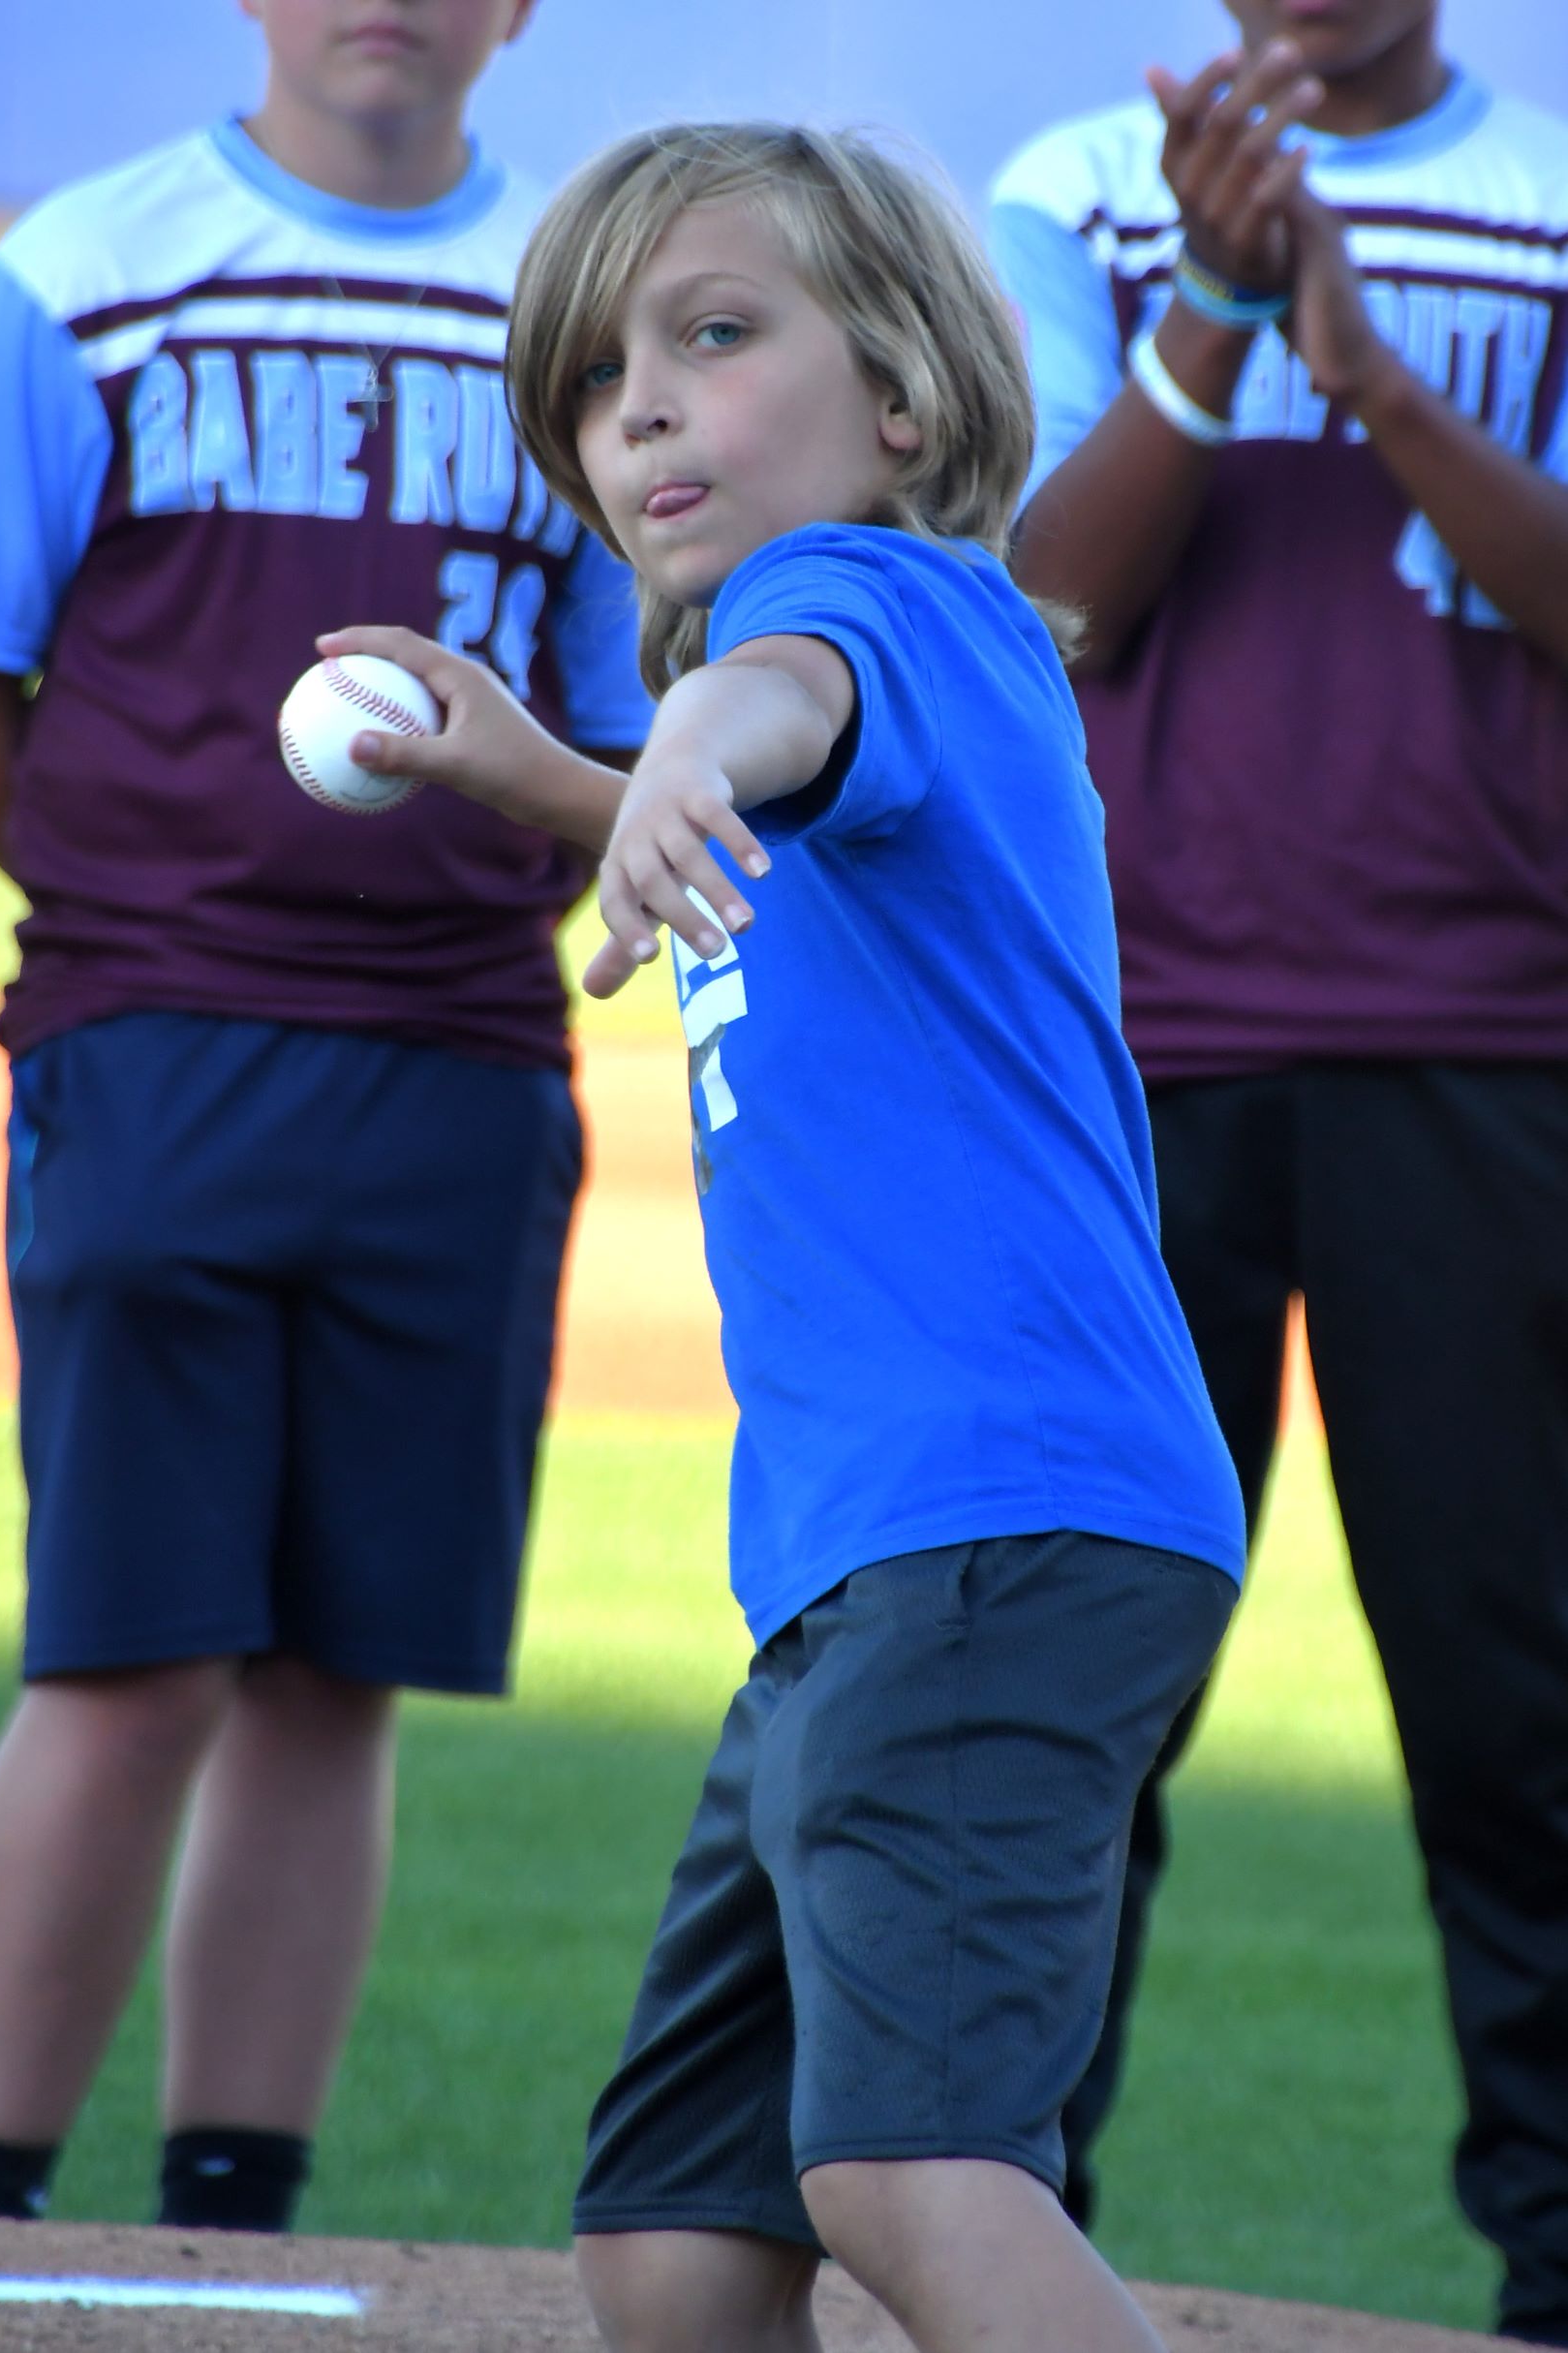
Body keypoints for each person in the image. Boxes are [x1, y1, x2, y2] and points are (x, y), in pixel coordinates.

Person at [323, 120, 1247, 2353]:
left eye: (713, 336)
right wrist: (567, 771)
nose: (635, 403)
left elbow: (774, 711)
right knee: (680, 2231)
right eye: (591, 379)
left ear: (902, 402)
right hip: (859, 1558)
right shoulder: (837, 704)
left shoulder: (874, 604)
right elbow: (761, 778)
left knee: (910, 2168)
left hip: (989, 1518)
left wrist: (670, 750)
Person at [0, 0, 649, 2233]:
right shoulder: (87, 269)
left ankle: (233, 2221)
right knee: (129, 1655)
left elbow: (618, 730)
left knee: (340, 1671)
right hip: (159, 1054)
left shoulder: (579, 313)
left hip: (463, 1058)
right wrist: (136, 914)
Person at [987, 4, 1568, 2338]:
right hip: (1130, 1055)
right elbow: (1048, 590)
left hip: (1489, 1047)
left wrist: (1382, 372)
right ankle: (990, 2233)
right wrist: (1218, 313)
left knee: (1520, 1712)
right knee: (1065, 1692)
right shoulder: (1070, 195)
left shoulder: (1540, 200)